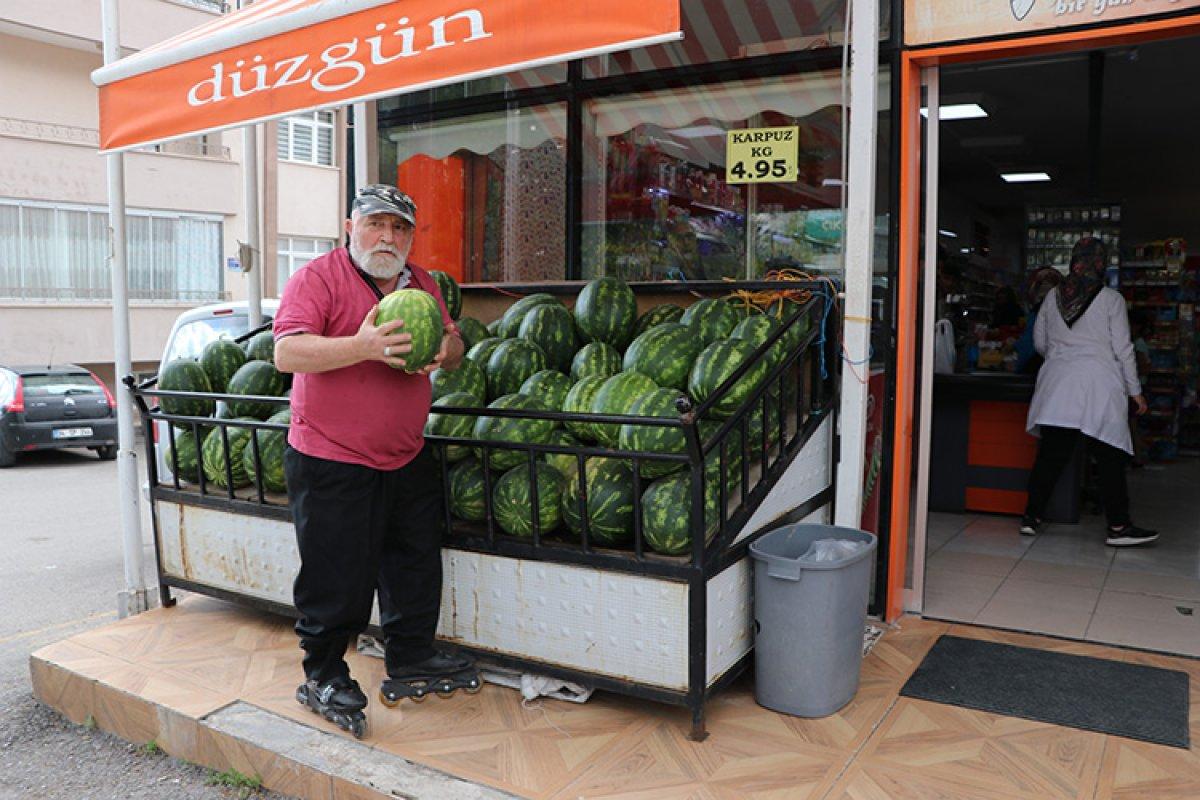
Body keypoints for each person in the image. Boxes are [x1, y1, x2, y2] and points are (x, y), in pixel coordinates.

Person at [273, 183, 478, 738]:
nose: (387, 237)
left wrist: (445, 351)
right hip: (330, 456)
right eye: (375, 224)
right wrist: (361, 346)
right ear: (350, 228)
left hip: (404, 452)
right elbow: (287, 351)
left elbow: (455, 344)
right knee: (336, 573)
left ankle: (411, 655)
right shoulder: (317, 279)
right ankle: (323, 672)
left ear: (410, 237)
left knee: (411, 563)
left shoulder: (423, 283)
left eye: (399, 228)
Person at [1020, 237, 1157, 547]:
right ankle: (1119, 527)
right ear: (1100, 262)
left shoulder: (1052, 297)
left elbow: (1040, 343)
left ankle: (1031, 517)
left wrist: (1063, 355)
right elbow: (1123, 348)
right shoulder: (1111, 299)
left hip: (1057, 384)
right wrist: (1135, 392)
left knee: (1051, 455)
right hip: (1098, 384)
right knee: (1109, 456)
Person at [1014, 267, 1062, 374]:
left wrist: (1017, 365)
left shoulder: (1038, 312)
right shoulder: (1068, 311)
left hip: (1039, 369)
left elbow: (1031, 345)